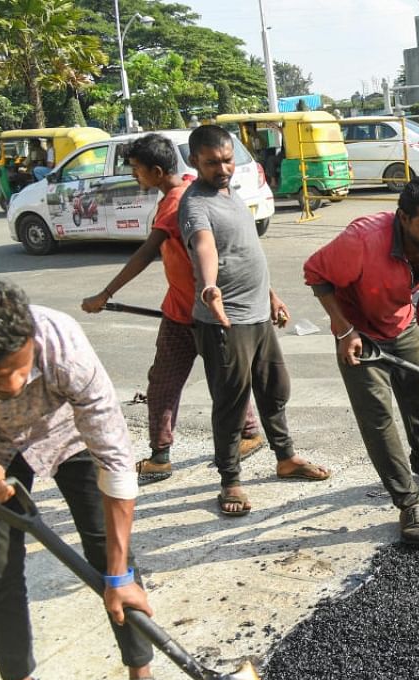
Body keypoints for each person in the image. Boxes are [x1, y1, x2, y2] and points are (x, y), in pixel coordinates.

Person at [0, 275, 175, 680]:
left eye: (18, 367)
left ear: (30, 337)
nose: (12, 384)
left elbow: (113, 459)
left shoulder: (62, 344)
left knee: (114, 557)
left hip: (71, 440)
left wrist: (115, 576)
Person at [82, 133, 264, 484]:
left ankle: (165, 456)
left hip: (198, 315)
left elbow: (146, 253)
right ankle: (236, 435)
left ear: (155, 170)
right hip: (183, 310)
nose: (135, 175)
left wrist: (105, 293)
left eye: (136, 169)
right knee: (218, 379)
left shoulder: (177, 202)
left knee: (177, 383)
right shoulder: (191, 192)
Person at [302, 176, 419, 546]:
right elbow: (315, 273)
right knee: (378, 417)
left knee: (417, 395)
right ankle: (408, 502)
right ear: (404, 219)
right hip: (358, 333)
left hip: (402, 322)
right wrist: (344, 330)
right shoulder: (363, 239)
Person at [179, 124, 329, 517]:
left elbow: (244, 253)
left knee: (274, 389)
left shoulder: (231, 195)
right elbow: (205, 246)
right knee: (230, 403)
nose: (223, 168)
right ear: (194, 161)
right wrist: (209, 285)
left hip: (258, 314)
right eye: (212, 163)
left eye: (227, 160)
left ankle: (285, 458)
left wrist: (271, 294)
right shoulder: (196, 204)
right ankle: (230, 481)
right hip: (225, 321)